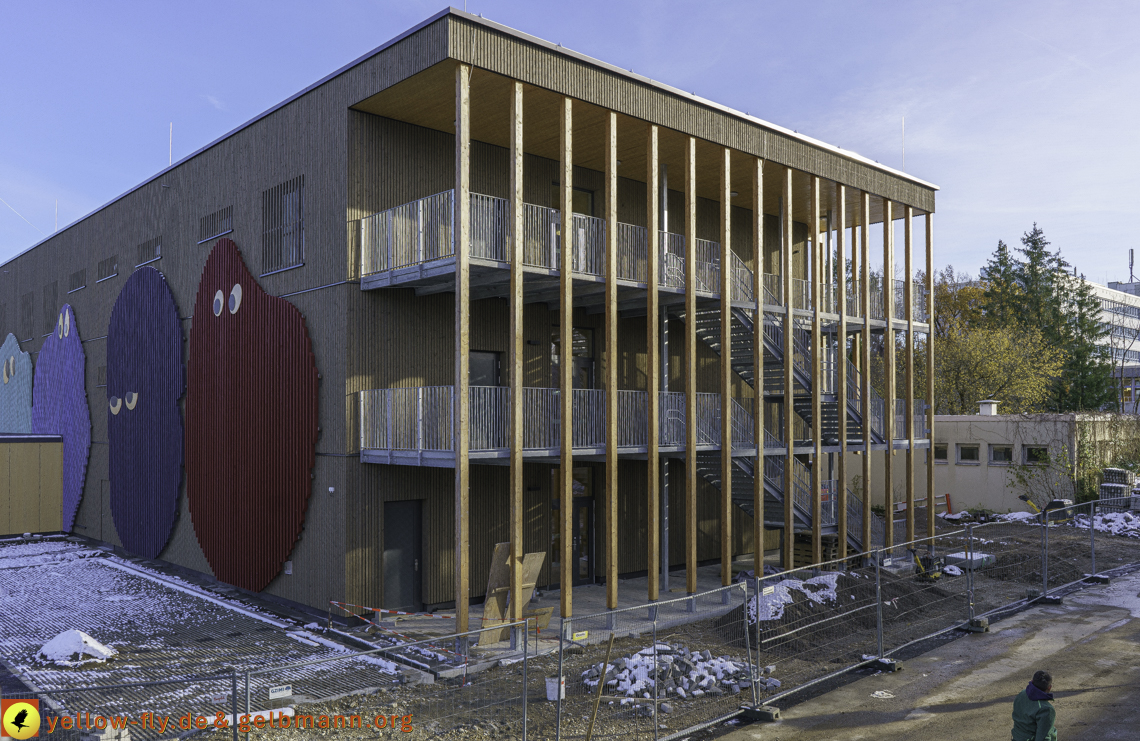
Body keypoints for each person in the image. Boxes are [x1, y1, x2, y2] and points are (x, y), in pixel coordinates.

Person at [1011, 670, 1057, 741]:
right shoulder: (1046, 709)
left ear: (1032, 681)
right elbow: (1043, 738)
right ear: (1049, 687)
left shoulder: (1022, 694)